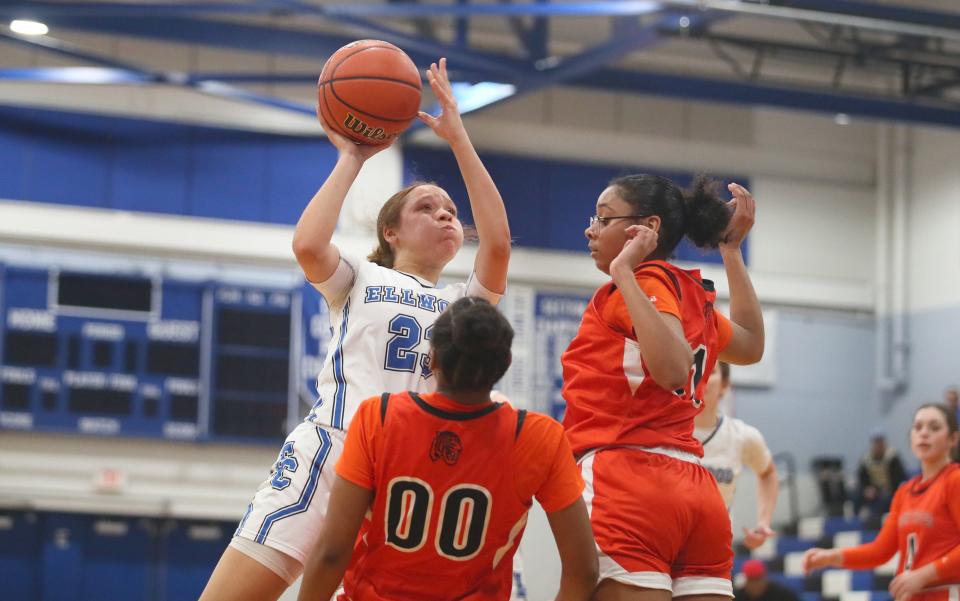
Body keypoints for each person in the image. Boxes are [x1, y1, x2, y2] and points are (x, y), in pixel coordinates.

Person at [200, 58, 513, 601]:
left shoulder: (463, 311)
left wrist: (459, 137)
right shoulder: (360, 278)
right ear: (390, 230)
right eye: (427, 206)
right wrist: (353, 157)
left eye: (450, 211)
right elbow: (307, 245)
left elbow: (499, 245)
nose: (445, 216)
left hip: (402, 479)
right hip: (331, 453)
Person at [298, 297, 599, 601]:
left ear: (432, 359)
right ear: (506, 364)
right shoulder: (538, 437)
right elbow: (584, 572)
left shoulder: (380, 416)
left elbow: (332, 554)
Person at [561, 174, 765, 600]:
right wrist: (731, 251)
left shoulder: (639, 283)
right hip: (695, 487)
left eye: (604, 218)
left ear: (648, 227)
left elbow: (672, 369)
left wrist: (624, 272)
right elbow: (749, 344)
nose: (590, 229)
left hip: (628, 477)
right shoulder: (689, 291)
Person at [803, 404, 960, 601]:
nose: (924, 433)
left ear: (953, 439)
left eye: (934, 427)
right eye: (918, 427)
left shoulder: (954, 480)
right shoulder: (904, 492)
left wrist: (924, 574)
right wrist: (832, 556)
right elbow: (880, 551)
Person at [694, 362, 778, 550]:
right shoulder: (665, 430)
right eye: (696, 366)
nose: (702, 375)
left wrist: (763, 521)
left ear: (725, 384)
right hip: (667, 547)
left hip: (714, 550)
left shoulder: (742, 435)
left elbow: (768, 473)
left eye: (711, 371)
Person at [854, 429, 907, 528]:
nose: (878, 445)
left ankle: (875, 523)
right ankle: (855, 523)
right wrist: (867, 489)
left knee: (885, 500)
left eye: (880, 442)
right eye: (876, 442)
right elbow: (861, 479)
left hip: (890, 490)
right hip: (873, 490)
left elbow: (900, 477)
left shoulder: (893, 457)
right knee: (856, 496)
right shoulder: (866, 459)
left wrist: (889, 488)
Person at [733, 560, 799, 601]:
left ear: (765, 578)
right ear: (746, 581)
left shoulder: (783, 595)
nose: (755, 584)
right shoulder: (737, 597)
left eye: (758, 579)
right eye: (751, 580)